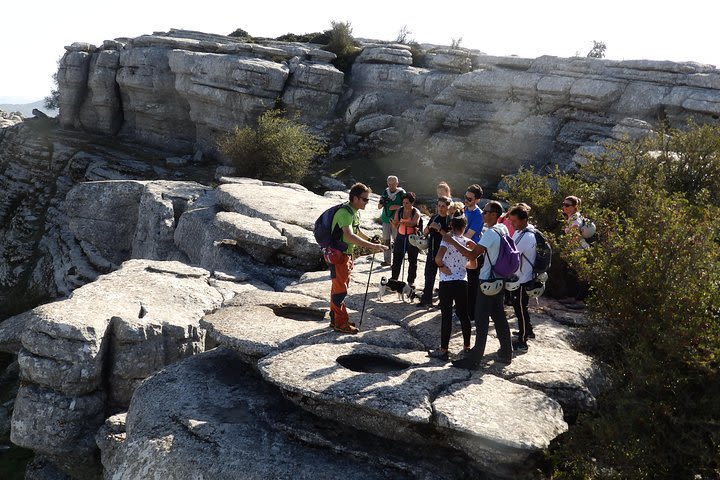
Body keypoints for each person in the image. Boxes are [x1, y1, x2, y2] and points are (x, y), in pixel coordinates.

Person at [443, 200, 513, 368]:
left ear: (494, 215)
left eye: (486, 212)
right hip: (499, 278)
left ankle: (474, 359)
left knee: (481, 319)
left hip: (487, 280)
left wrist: (452, 241)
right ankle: (506, 352)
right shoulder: (502, 229)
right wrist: (477, 246)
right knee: (499, 316)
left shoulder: (489, 233)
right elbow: (489, 251)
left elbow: (472, 256)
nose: (483, 214)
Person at [330, 183, 388, 334]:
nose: (367, 202)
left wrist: (370, 240)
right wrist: (372, 246)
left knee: (338, 288)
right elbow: (349, 236)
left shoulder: (354, 211)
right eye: (365, 199)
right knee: (340, 291)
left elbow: (357, 230)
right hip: (339, 256)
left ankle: (335, 319)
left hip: (346, 255)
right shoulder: (344, 213)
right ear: (355, 198)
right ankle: (340, 323)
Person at [428, 212, 473, 360]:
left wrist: (441, 267)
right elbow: (473, 263)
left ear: (451, 226)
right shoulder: (467, 242)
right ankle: (467, 347)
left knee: (446, 316)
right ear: (465, 227)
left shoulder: (446, 240)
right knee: (464, 315)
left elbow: (438, 258)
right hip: (462, 281)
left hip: (447, 282)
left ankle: (444, 350)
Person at [506, 204, 536, 351]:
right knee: (521, 307)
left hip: (522, 279)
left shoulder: (527, 236)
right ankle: (528, 330)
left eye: (514, 221)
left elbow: (511, 253)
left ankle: (523, 341)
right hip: (521, 276)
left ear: (524, 220)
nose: (512, 224)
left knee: (520, 309)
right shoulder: (521, 231)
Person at [418, 195, 451, 307]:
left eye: (443, 206)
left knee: (444, 278)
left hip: (445, 253)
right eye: (439, 206)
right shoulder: (434, 217)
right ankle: (426, 299)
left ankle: (444, 302)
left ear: (447, 207)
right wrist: (428, 229)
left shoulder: (449, 220)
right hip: (432, 251)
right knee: (429, 275)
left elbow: (449, 238)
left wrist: (439, 229)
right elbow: (425, 232)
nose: (440, 208)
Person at [560, 195, 590, 310]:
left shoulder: (575, 218)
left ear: (574, 207)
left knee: (580, 276)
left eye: (567, 205)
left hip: (579, 250)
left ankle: (580, 301)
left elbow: (575, 236)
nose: (564, 207)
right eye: (564, 204)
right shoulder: (571, 217)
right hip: (576, 250)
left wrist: (567, 250)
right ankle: (573, 297)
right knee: (572, 274)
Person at [463, 184, 485, 322]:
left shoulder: (479, 215)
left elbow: (467, 235)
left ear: (477, 200)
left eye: (469, 199)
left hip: (473, 253)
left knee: (472, 286)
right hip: (463, 251)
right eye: (465, 197)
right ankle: (462, 311)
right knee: (463, 284)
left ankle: (471, 315)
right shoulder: (465, 209)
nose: (466, 200)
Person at [390, 192, 421, 287]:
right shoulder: (399, 210)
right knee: (396, 259)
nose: (404, 204)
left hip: (412, 238)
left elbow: (413, 223)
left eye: (407, 203)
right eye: (403, 202)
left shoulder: (416, 212)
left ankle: (411, 281)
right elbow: (395, 225)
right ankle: (394, 279)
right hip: (400, 237)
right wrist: (394, 223)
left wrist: (400, 223)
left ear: (412, 203)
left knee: (412, 260)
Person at [377, 176, 405, 267]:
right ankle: (387, 261)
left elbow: (407, 207)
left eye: (393, 184)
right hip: (385, 219)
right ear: (387, 183)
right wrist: (382, 202)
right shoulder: (385, 192)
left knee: (397, 241)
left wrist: (396, 207)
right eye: (389, 184)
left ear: (397, 183)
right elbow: (379, 206)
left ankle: (396, 262)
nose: (391, 186)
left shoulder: (401, 193)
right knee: (386, 241)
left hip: (396, 221)